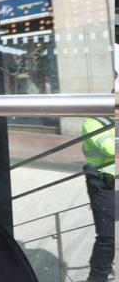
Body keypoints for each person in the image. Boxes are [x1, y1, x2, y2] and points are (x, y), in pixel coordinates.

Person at [81, 111, 115, 282]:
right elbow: (110, 148)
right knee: (107, 234)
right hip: (103, 180)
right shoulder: (92, 122)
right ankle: (98, 276)